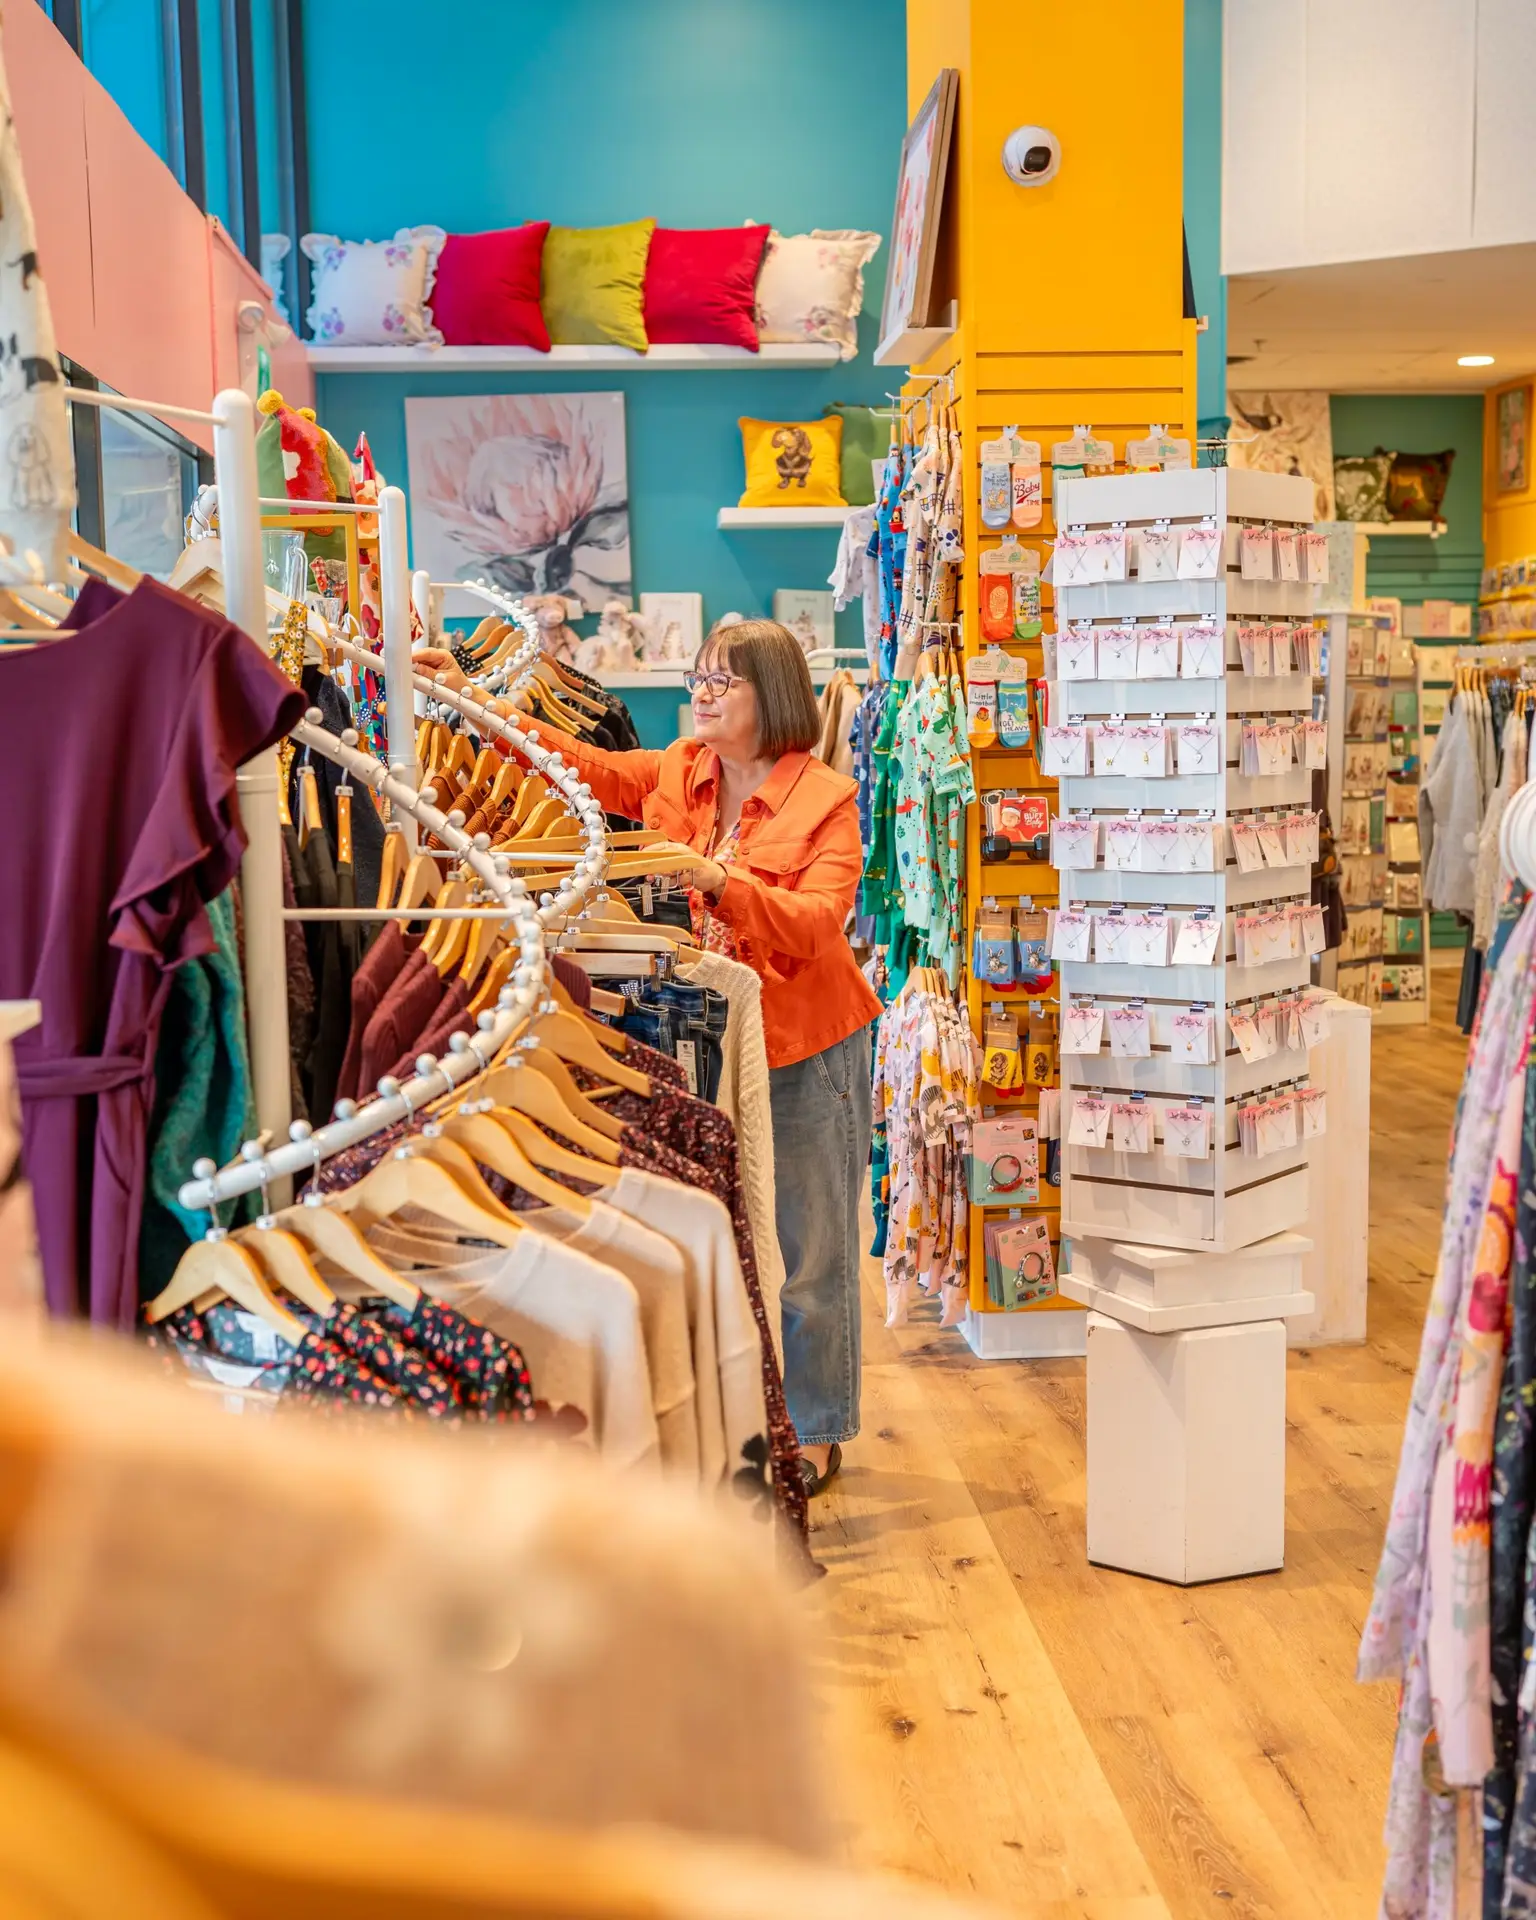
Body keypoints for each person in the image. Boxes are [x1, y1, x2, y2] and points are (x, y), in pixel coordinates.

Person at [415, 620, 880, 1498]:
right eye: (698, 677)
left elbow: (821, 926)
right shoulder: (678, 769)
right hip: (706, 1037)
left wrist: (715, 882)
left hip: (808, 1044)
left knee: (812, 1247)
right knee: (727, 1231)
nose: (701, 693)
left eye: (723, 682)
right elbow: (579, 765)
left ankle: (819, 1429)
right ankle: (751, 1414)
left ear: (772, 696)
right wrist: (473, 703)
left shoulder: (825, 798)